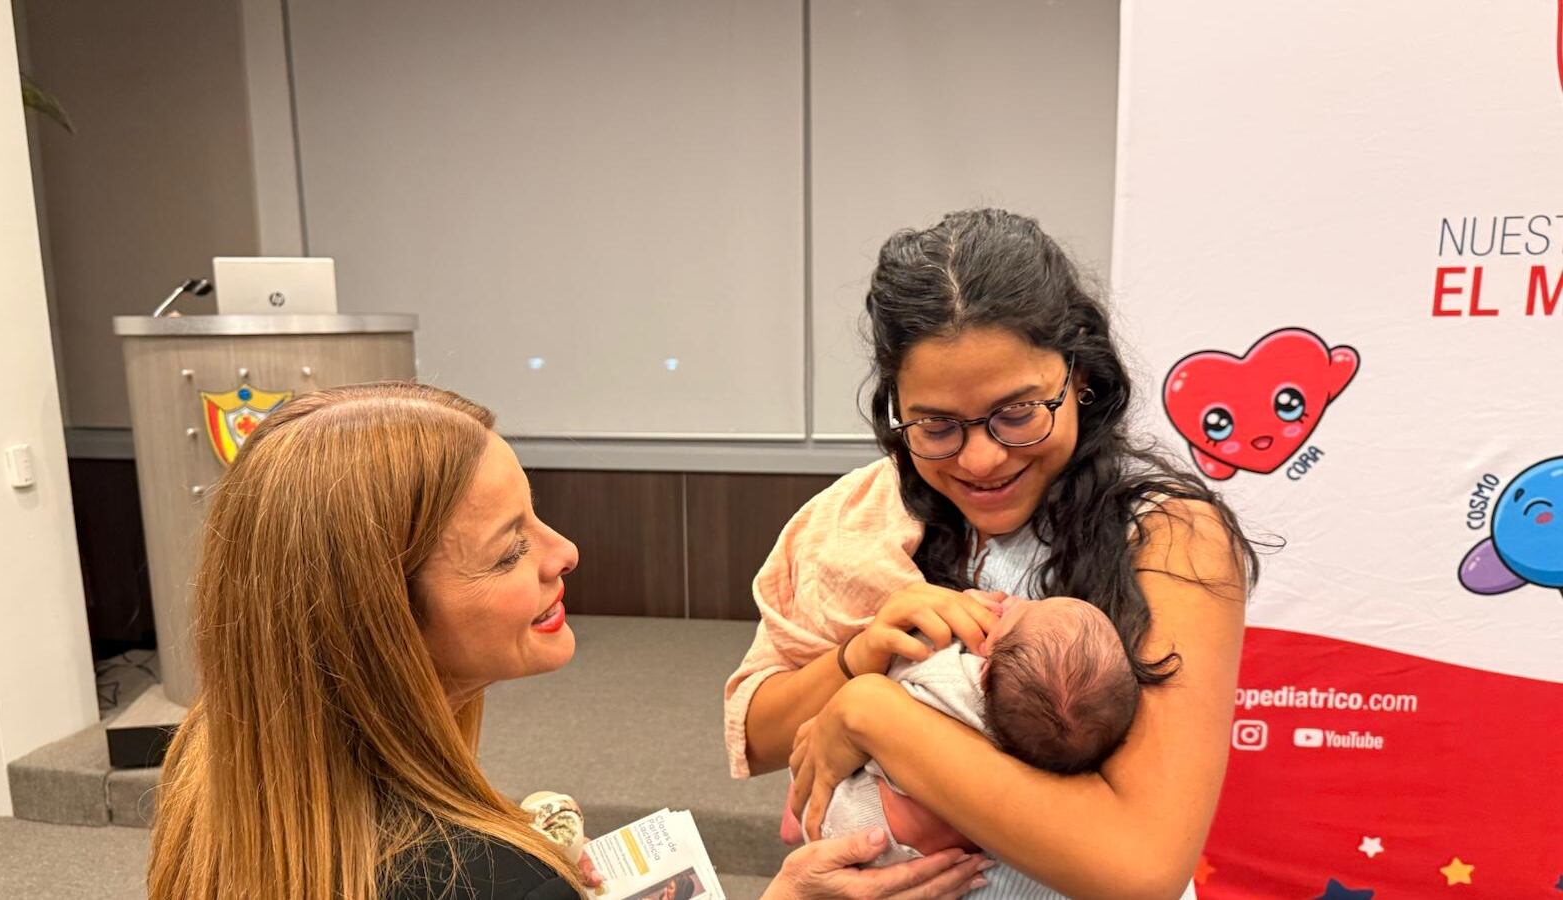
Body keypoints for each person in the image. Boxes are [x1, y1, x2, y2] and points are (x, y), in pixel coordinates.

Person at [146, 382, 995, 900]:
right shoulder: (479, 879)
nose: (564, 553)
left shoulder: (218, 767)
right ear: (382, 620)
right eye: (510, 548)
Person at [725, 209, 1261, 899]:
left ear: (1081, 377)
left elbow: (1141, 865)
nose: (981, 458)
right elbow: (760, 737)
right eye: (936, 425)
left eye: (1017, 412)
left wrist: (875, 713)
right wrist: (856, 658)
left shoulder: (1165, 537)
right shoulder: (862, 518)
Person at [796, 596, 1139, 876]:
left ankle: (795, 818)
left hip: (860, 818)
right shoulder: (1042, 741)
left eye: (1021, 613)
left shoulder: (957, 677)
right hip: (933, 856)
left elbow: (903, 666)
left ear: (985, 667)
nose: (1018, 601)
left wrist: (941, 633)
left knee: (811, 770)